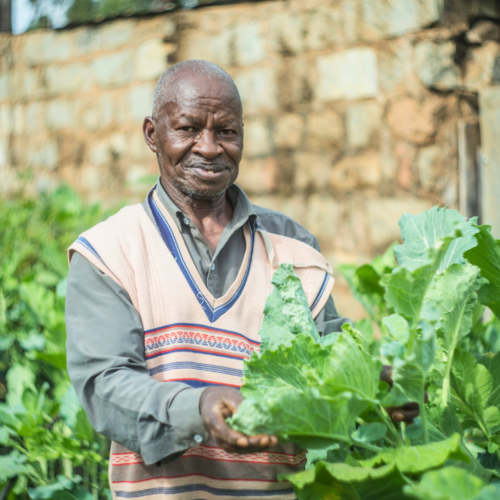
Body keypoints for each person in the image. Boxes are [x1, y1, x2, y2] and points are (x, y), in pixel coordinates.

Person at [66, 60, 418, 500]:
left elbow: (327, 349)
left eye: (227, 132)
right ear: (152, 135)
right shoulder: (110, 251)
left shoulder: (290, 243)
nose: (210, 148)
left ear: (243, 137)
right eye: (188, 129)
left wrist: (376, 381)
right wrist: (200, 407)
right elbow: (105, 385)